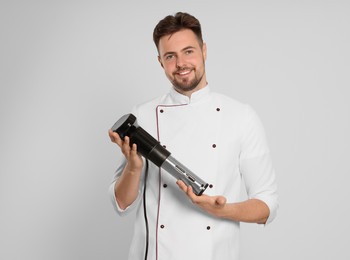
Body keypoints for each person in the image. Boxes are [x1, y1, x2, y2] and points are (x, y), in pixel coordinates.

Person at [108, 12, 278, 260]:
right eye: (170, 56)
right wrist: (134, 168)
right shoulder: (142, 116)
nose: (181, 63)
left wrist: (223, 211)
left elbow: (267, 205)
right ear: (160, 61)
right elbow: (121, 205)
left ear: (204, 50)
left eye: (188, 51)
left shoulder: (241, 116)